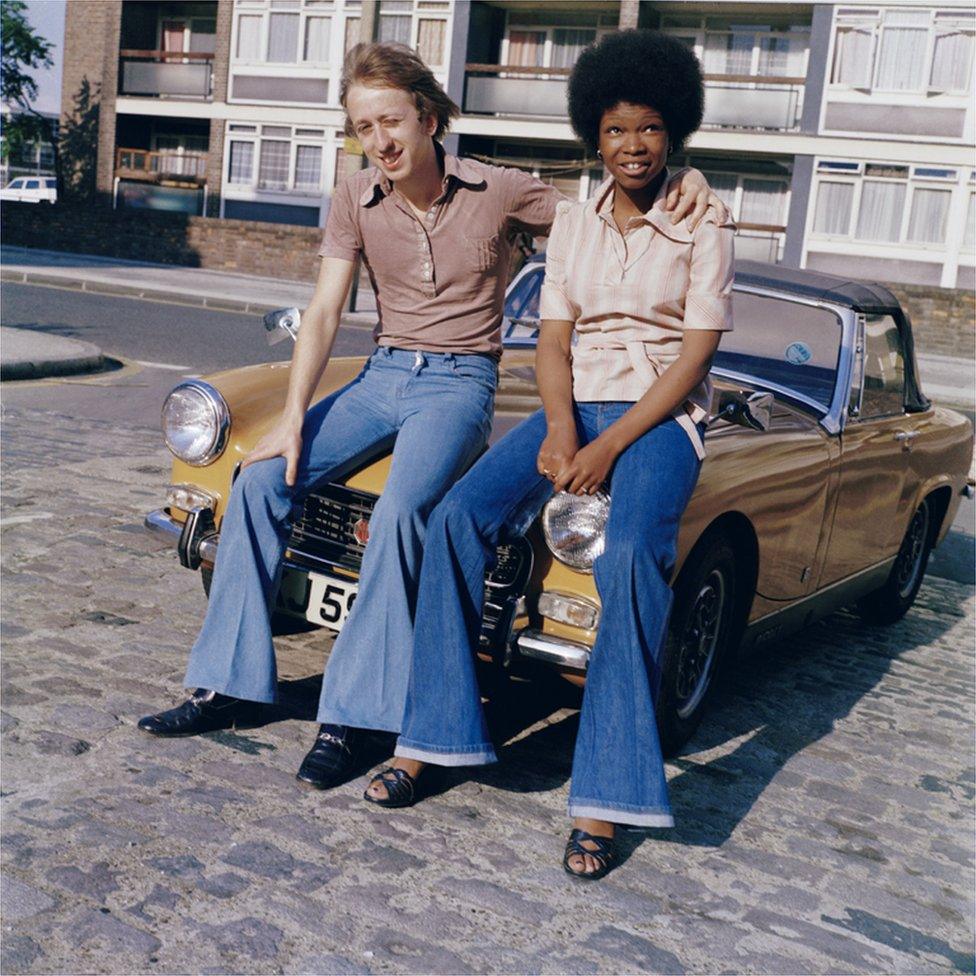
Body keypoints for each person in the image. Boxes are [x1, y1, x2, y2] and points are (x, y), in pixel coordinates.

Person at [138, 41, 725, 792]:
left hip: (459, 385)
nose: (379, 140)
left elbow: (609, 209)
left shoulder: (500, 188)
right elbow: (323, 311)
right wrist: (291, 420)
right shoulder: (354, 196)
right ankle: (228, 686)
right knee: (257, 484)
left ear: (429, 117)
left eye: (391, 121)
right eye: (363, 127)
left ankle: (353, 718)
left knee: (404, 514)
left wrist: (691, 179)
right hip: (383, 373)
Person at [363, 30, 734, 881]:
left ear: (672, 130)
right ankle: (436, 739)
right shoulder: (574, 220)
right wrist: (563, 431)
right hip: (575, 406)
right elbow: (553, 340)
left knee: (634, 556)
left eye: (646, 129)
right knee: (457, 517)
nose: (631, 146)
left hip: (657, 418)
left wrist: (606, 445)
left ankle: (605, 797)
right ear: (591, 138)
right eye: (613, 131)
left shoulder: (705, 221)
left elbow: (694, 358)